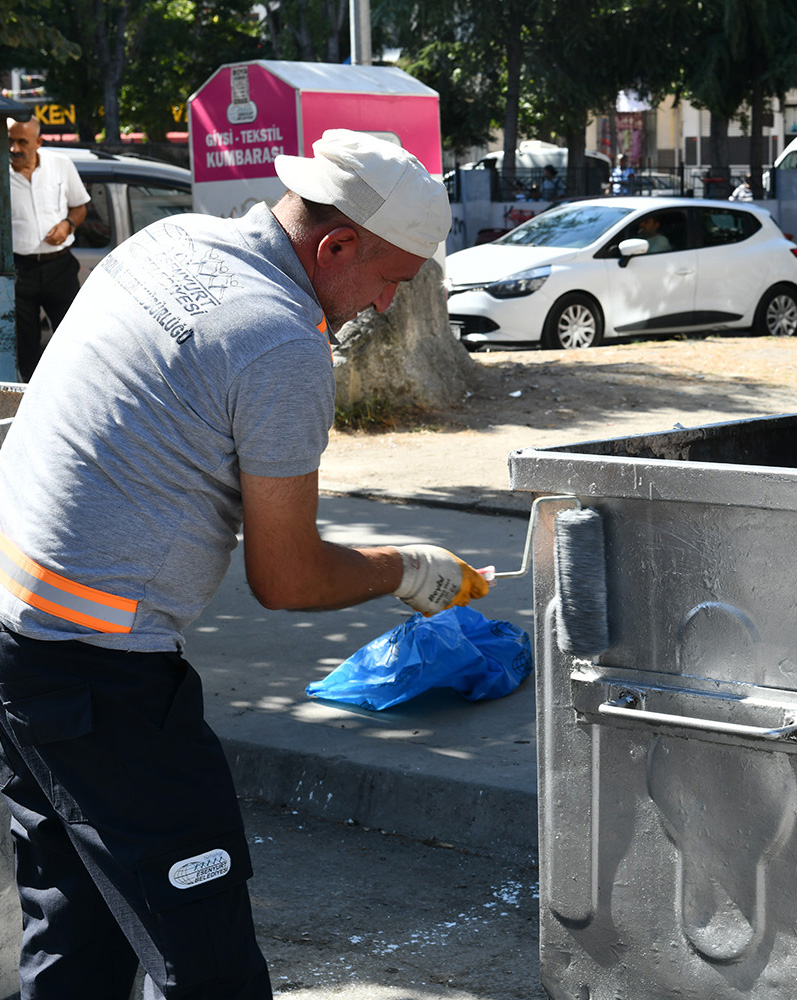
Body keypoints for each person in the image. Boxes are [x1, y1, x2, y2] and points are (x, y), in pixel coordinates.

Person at [0, 129, 490, 1000]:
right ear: (336, 245)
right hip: (97, 677)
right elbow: (288, 577)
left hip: (14, 636)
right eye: (388, 280)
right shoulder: (278, 344)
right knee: (205, 950)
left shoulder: (172, 241)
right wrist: (409, 570)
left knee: (75, 923)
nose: (382, 306)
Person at [7, 116, 91, 380]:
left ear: (38, 142)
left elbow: (80, 207)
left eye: (22, 142)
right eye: (9, 141)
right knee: (26, 347)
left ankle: (77, 389)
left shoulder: (60, 165)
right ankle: (34, 399)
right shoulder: (1, 173)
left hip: (60, 266)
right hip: (19, 270)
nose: (14, 149)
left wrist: (67, 224)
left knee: (75, 338)